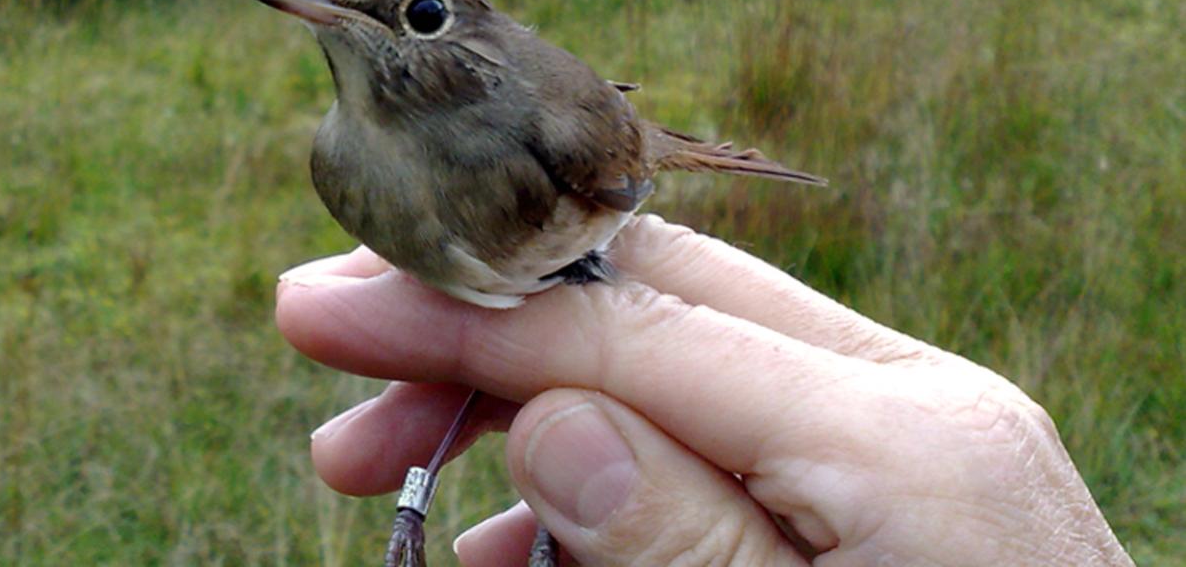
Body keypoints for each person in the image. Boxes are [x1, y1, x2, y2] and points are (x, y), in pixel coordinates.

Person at [275, 215, 1134, 565]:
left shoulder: (521, 139)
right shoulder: (347, 164)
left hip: (567, 289)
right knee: (527, 358)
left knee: (563, 361)